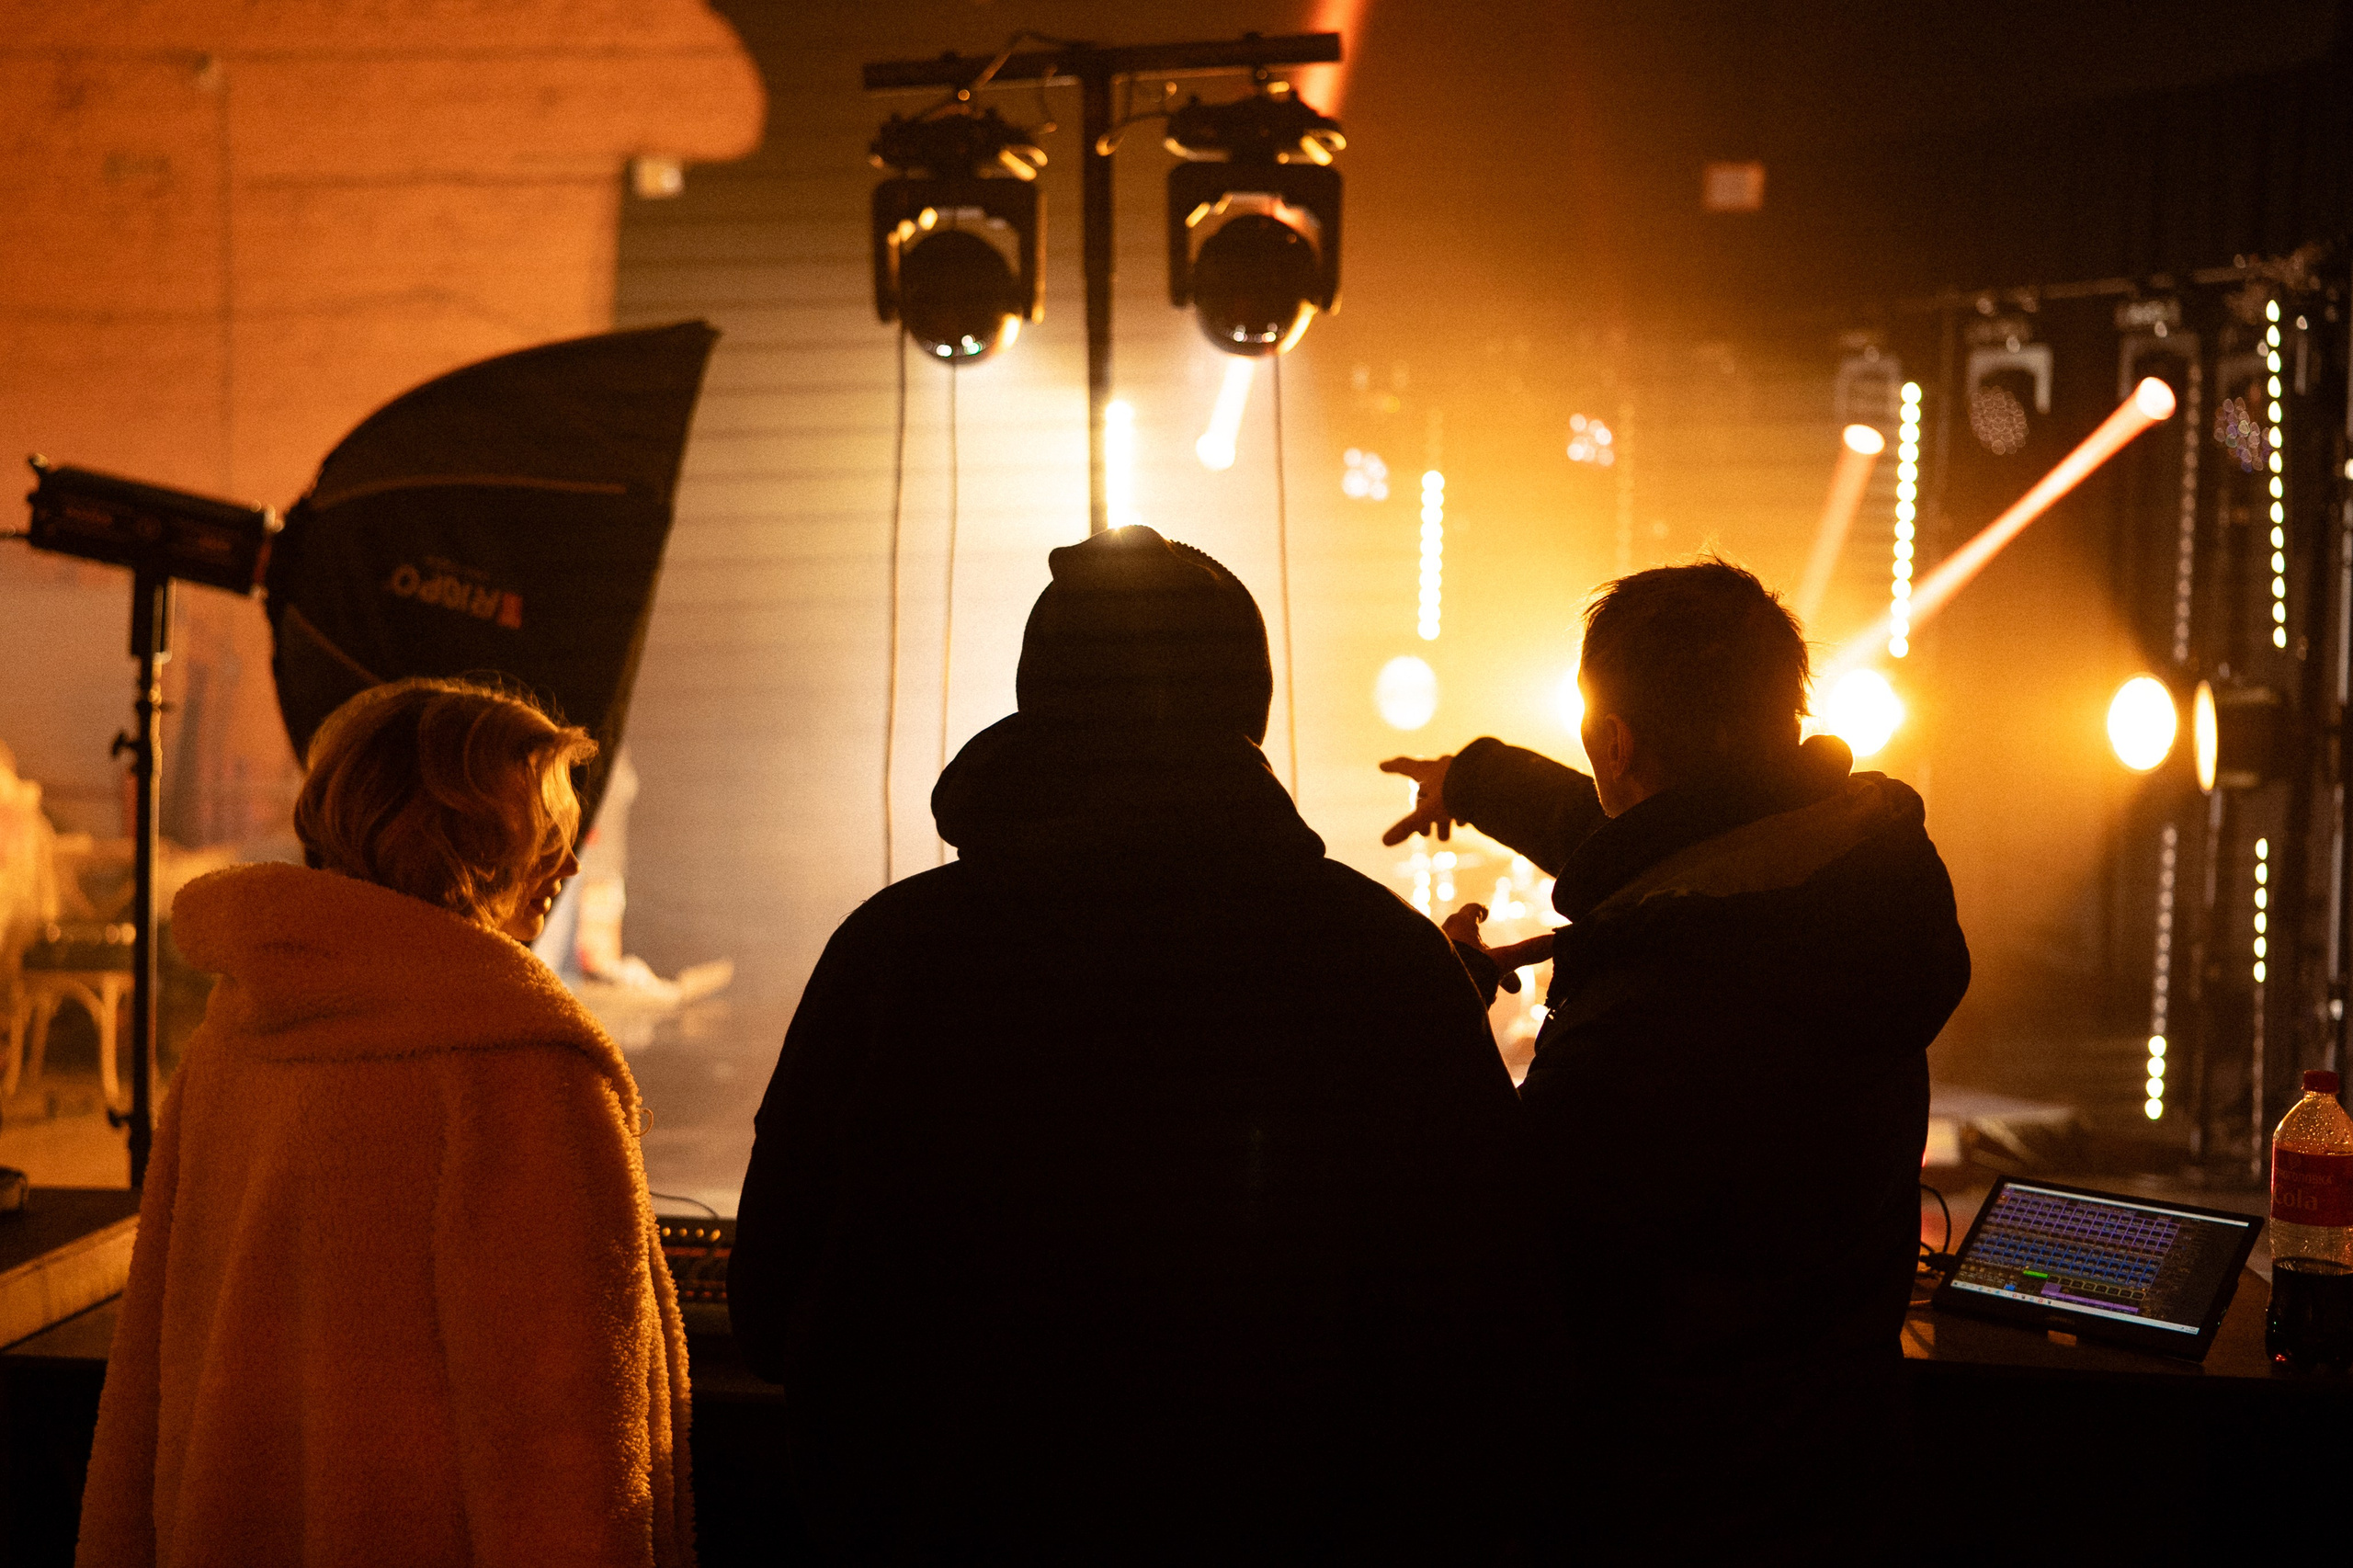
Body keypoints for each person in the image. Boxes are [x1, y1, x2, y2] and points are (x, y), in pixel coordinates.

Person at [730, 525, 1552, 1565]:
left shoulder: (892, 953)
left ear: (1039, 693)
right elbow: (1485, 1335)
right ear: (1244, 706)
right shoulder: (1380, 963)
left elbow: (769, 1312)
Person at [1384, 558, 1969, 1561]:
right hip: (1844, 1476)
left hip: (1676, 1502)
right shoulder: (1848, 875)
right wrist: (1477, 779)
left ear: (1614, 740)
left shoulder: (1647, 1021)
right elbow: (1660, 842)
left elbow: (1500, 1246)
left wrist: (1440, 1011)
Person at [78, 678, 694, 1568]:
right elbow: (564, 1459)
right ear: (468, 842)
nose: (566, 864)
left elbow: (141, 1393)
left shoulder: (238, 1039)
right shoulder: (521, 1070)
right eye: (544, 832)